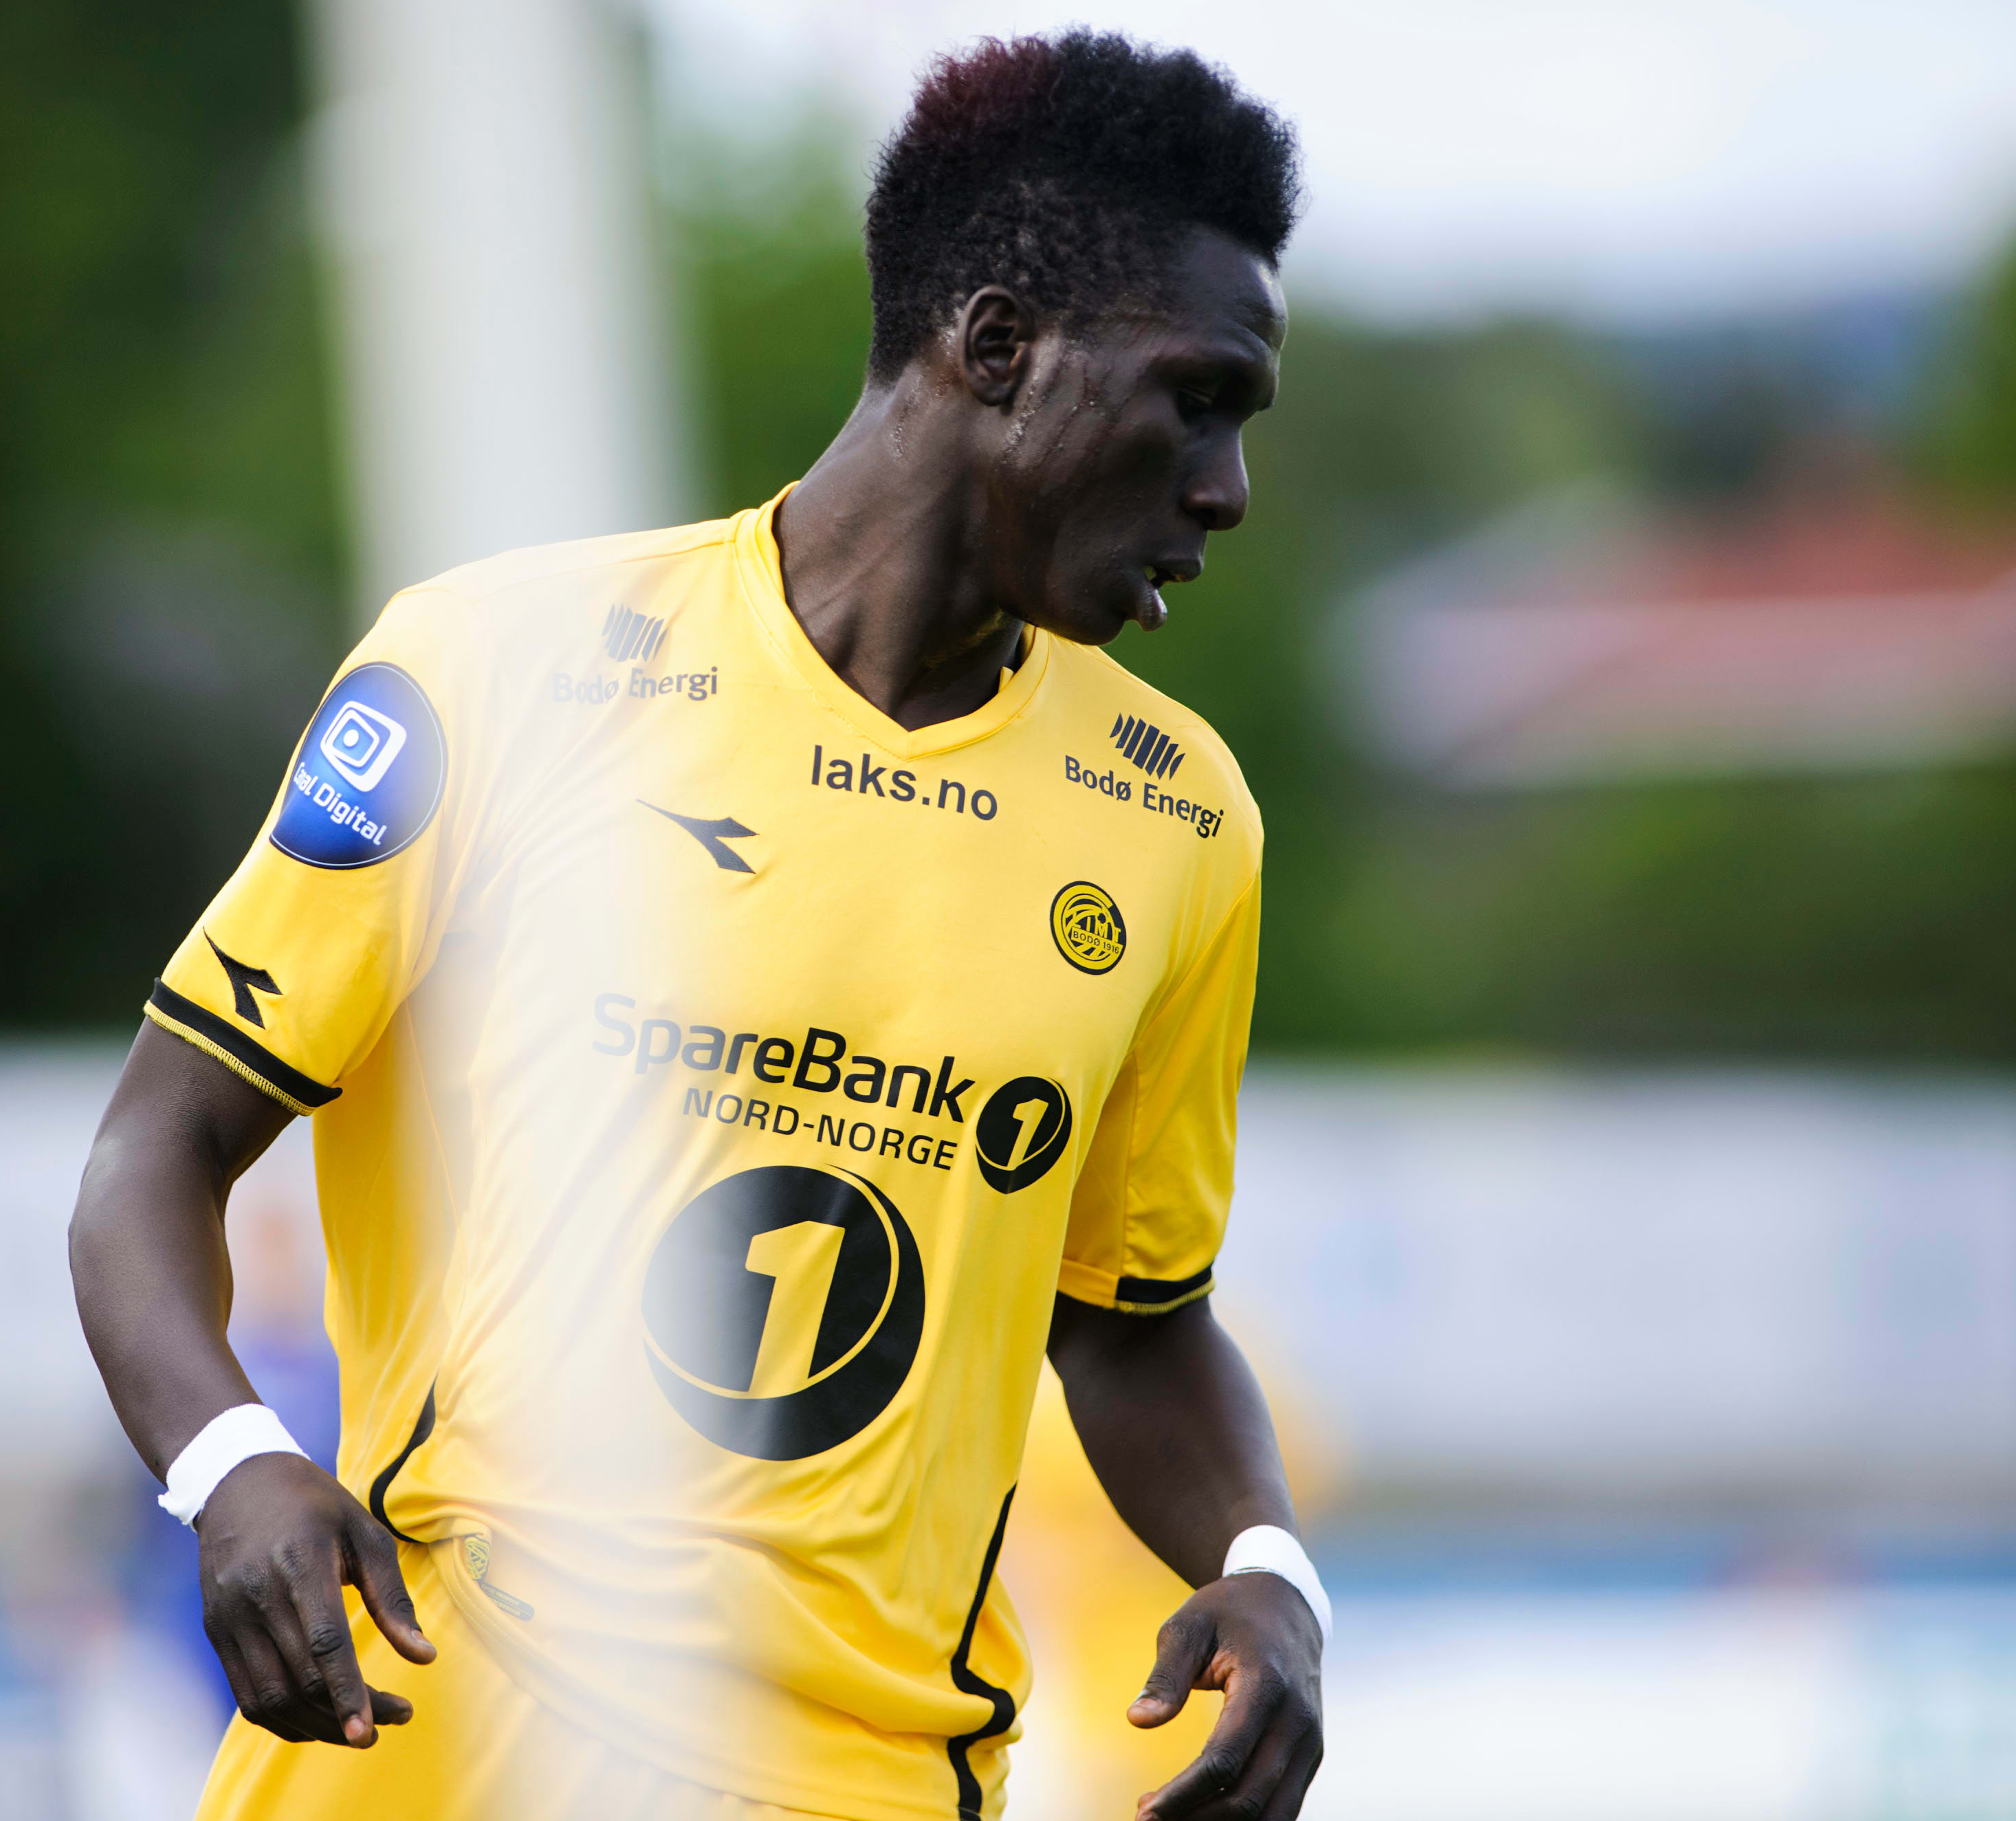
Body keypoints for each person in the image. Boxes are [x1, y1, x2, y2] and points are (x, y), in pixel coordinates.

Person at [70, 28, 1324, 1821]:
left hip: (867, 1777)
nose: (1227, 488)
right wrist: (233, 1468)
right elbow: (154, 1150)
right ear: (994, 349)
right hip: (435, 1736)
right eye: (1196, 400)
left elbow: (1132, 1321)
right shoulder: (497, 666)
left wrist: (1266, 1559)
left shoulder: (1177, 820)